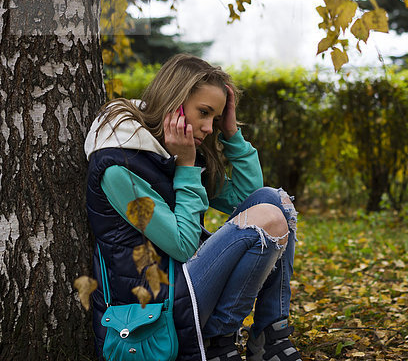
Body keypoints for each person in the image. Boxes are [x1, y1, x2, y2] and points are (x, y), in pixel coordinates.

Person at [84, 54, 301, 361]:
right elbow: (183, 247)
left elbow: (250, 196)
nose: (209, 127)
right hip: (160, 302)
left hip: (186, 284)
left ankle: (270, 332)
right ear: (174, 101)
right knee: (267, 216)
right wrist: (186, 168)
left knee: (276, 202)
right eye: (204, 113)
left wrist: (232, 133)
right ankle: (218, 340)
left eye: (216, 117)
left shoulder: (174, 149)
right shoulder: (118, 169)